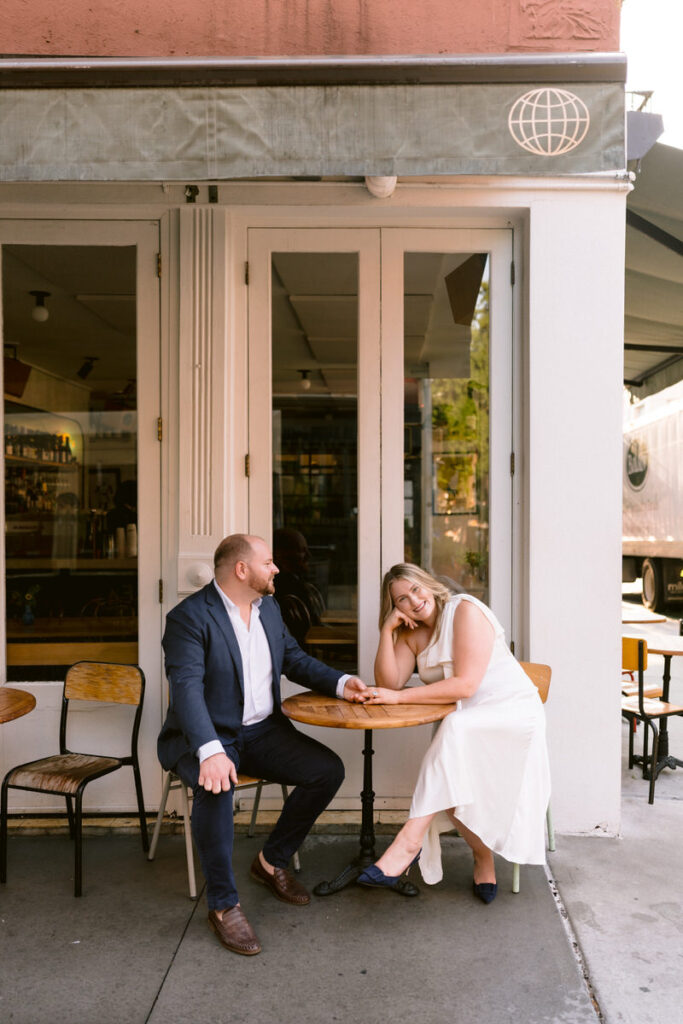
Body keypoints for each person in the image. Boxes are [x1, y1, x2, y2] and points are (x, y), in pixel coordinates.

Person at [158, 533, 369, 955]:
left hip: (261, 731)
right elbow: (187, 689)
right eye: (268, 562)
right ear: (242, 569)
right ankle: (222, 905)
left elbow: (293, 659)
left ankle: (270, 862)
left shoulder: (268, 607)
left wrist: (343, 683)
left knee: (326, 771)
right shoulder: (189, 618)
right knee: (215, 786)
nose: (276, 569)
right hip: (205, 735)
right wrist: (211, 751)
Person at [358, 563, 550, 903]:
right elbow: (388, 683)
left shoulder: (463, 610)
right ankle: (482, 855)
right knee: (448, 781)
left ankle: (407, 844)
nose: (413, 602)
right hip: (465, 722)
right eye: (401, 600)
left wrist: (400, 697)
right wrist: (387, 632)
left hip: (511, 713)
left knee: (452, 733)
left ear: (429, 586)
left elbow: (466, 685)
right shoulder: (412, 634)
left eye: (416, 589)